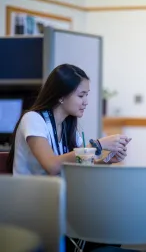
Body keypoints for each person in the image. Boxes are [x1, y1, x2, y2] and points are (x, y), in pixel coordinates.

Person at [6, 64, 129, 251]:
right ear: (61, 96)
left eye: (87, 95)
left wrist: (105, 160)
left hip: (60, 206)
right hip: (33, 210)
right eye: (81, 95)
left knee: (112, 225)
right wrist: (97, 145)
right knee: (105, 230)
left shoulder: (70, 128)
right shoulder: (33, 119)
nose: (86, 101)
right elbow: (52, 166)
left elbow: (81, 166)